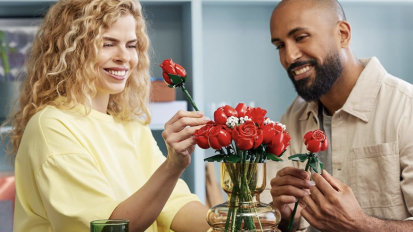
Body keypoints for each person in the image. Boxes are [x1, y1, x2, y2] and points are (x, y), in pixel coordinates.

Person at [1, 0, 210, 231]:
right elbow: (109, 226)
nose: (124, 57)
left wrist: (231, 222)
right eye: (108, 44)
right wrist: (173, 166)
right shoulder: (52, 126)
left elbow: (174, 204)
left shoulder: (130, 124)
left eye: (131, 45)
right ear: (72, 50)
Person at [261, 0, 413, 231]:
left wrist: (360, 224)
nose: (289, 56)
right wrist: (283, 217)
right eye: (280, 45)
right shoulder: (293, 116)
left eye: (301, 37)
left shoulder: (406, 109)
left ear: (342, 34)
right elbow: (282, 219)